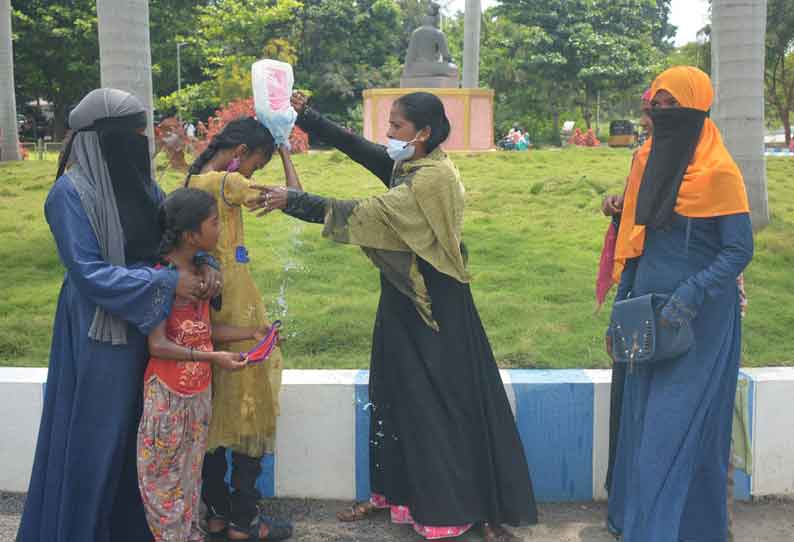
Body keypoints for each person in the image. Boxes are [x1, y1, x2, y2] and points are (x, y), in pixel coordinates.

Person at [255, 91, 538, 542]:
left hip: (435, 305)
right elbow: (369, 155)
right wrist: (310, 118)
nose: (388, 133)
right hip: (403, 294)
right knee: (391, 392)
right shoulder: (415, 165)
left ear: (423, 133)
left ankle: (469, 507)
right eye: (389, 123)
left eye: (397, 127)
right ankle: (395, 495)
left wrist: (292, 199)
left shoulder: (430, 181)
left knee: (443, 402)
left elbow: (359, 213)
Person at [17, 88, 221, 542]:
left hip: (148, 328)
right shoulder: (69, 193)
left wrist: (207, 267)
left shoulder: (144, 185)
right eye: (131, 134)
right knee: (99, 438)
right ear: (101, 138)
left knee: (141, 441)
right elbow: (90, 274)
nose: (140, 142)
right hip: (98, 334)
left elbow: (172, 237)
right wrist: (168, 284)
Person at [606, 66, 754, 542]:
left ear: (698, 107)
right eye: (658, 103)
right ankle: (643, 526)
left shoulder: (720, 172)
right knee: (642, 422)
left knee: (678, 426)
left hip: (701, 320)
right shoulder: (648, 161)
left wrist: (690, 294)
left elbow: (738, 249)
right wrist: (623, 301)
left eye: (674, 105)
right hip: (648, 312)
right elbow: (637, 238)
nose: (661, 113)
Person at [186, 117, 299, 541]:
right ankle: (245, 521)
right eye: (255, 164)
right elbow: (293, 196)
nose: (253, 174)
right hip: (236, 305)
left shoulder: (194, 179)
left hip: (207, 312)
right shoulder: (226, 182)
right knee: (250, 406)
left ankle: (216, 513)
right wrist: (286, 147)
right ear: (239, 155)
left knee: (216, 412)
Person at [137, 188, 257, 542]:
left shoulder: (201, 272)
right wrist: (212, 357)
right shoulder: (164, 278)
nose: (219, 228)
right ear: (190, 235)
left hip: (198, 394)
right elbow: (157, 344)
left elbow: (203, 331)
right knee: (165, 487)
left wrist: (252, 332)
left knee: (190, 483)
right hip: (168, 398)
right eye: (214, 222)